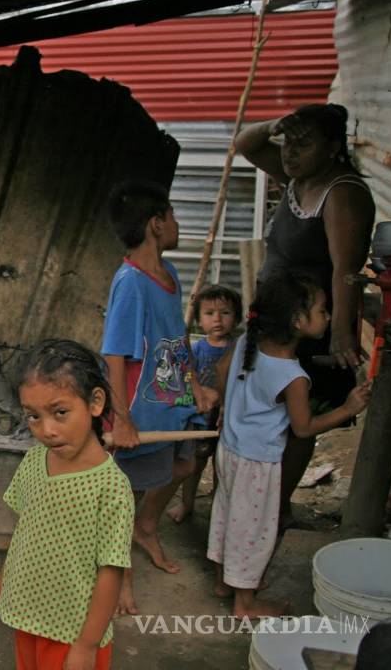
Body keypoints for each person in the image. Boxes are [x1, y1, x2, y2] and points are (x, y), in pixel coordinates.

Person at [235, 104, 375, 526]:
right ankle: (259, 502)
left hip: (311, 326)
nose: (291, 152)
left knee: (299, 419)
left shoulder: (342, 193)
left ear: (332, 148)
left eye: (304, 143)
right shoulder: (297, 177)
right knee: (270, 408)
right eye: (288, 142)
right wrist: (273, 125)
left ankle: (274, 509)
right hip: (276, 321)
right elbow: (245, 143)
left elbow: (346, 271)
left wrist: (341, 334)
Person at [206, 272, 372, 618]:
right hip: (258, 464)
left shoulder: (247, 341)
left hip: (230, 451)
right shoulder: (292, 377)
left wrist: (227, 407)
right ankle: (245, 603)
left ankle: (224, 581)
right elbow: (304, 427)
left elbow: (221, 370)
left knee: (228, 515)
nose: (328, 316)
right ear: (297, 321)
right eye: (322, 310)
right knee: (253, 530)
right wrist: (347, 409)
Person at [0, 340, 133, 670]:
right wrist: (1, 581)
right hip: (29, 614)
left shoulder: (111, 487)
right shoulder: (34, 461)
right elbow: (26, 533)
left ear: (95, 403)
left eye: (60, 412)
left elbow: (111, 571)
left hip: (72, 631)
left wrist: (87, 645)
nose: (46, 430)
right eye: (33, 416)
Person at [100, 180, 215, 615]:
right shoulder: (131, 282)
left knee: (184, 465)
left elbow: (178, 335)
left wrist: (195, 385)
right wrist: (122, 418)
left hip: (174, 400)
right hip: (140, 409)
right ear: (156, 224)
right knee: (122, 499)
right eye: (173, 216)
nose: (178, 224)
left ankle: (146, 527)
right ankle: (119, 579)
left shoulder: (168, 275)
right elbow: (114, 354)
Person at [168, 284, 242, 524]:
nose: (217, 319)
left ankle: (219, 508)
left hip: (229, 416)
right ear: (199, 319)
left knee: (223, 464)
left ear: (237, 317)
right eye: (209, 313)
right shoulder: (197, 349)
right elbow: (187, 379)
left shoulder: (240, 348)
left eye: (225, 313)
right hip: (202, 416)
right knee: (195, 463)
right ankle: (187, 503)